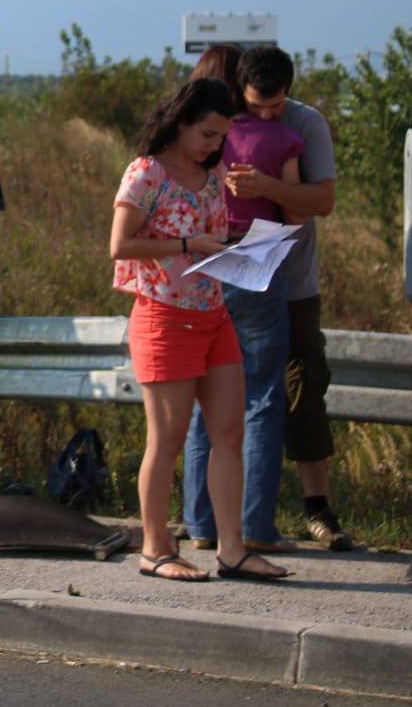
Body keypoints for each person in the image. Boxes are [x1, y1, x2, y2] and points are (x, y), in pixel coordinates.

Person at [109, 78, 291, 582]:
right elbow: (120, 246)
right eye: (208, 135)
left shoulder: (211, 176)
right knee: (165, 440)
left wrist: (239, 248)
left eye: (221, 138)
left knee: (229, 433)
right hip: (164, 319)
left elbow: (207, 236)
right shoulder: (147, 172)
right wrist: (189, 245)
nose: (215, 146)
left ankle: (232, 550)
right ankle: (155, 548)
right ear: (181, 122)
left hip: (215, 316)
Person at [219, 46, 351, 550]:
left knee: (303, 388)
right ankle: (237, 515)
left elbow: (323, 201)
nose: (268, 115)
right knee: (234, 393)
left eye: (276, 106)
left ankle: (317, 507)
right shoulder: (226, 121)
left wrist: (269, 185)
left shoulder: (307, 124)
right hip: (238, 277)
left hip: (293, 284)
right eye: (258, 107)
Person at [181, 45, 305, 552]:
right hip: (255, 265)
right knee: (262, 398)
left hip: (204, 267)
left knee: (202, 402)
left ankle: (199, 525)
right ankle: (254, 526)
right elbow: (300, 211)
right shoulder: (285, 137)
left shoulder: (204, 139)